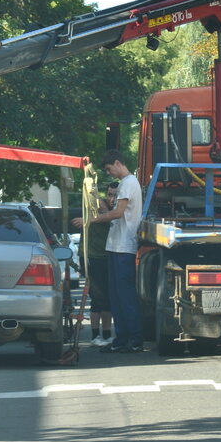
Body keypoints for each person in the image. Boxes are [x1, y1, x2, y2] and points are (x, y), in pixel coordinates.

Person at [73, 150, 143, 353]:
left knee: (125, 296)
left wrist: (89, 220)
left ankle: (134, 339)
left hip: (123, 247)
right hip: (115, 246)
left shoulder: (129, 183)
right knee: (116, 296)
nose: (110, 173)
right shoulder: (125, 184)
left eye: (109, 168)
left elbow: (118, 213)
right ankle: (121, 338)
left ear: (118, 163)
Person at [80, 181, 116, 346]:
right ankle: (95, 336)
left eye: (116, 195)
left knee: (107, 298)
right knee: (98, 297)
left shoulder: (116, 209)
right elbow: (99, 215)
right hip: (92, 257)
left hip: (106, 256)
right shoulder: (99, 206)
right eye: (110, 194)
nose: (113, 198)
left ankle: (107, 334)